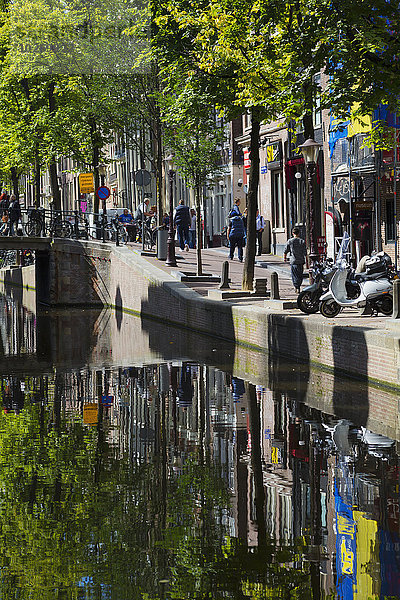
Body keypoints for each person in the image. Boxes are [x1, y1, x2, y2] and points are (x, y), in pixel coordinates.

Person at [283, 227, 307, 293]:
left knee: (294, 275)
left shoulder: (290, 241)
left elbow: (285, 251)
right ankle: (298, 286)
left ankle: (296, 287)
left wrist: (284, 258)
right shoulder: (302, 241)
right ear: (299, 233)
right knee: (300, 274)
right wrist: (307, 261)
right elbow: (305, 253)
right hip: (301, 260)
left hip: (293, 261)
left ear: (293, 233)